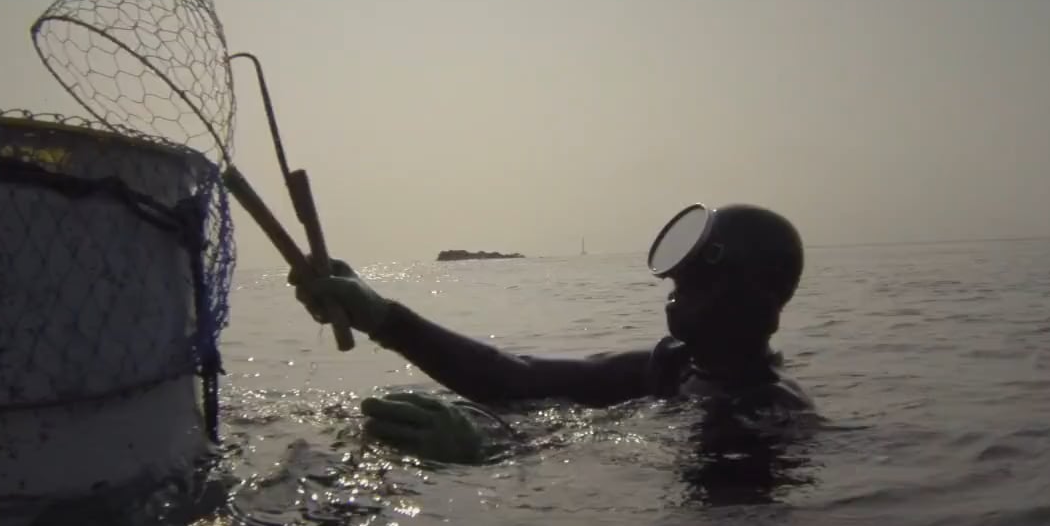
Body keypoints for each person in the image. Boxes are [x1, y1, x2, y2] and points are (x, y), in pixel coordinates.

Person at [288, 203, 814, 463]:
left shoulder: (768, 413)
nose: (678, 294)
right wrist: (381, 315)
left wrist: (493, 454)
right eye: (680, 281)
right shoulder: (671, 367)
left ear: (756, 299)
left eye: (699, 282)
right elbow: (516, 377)